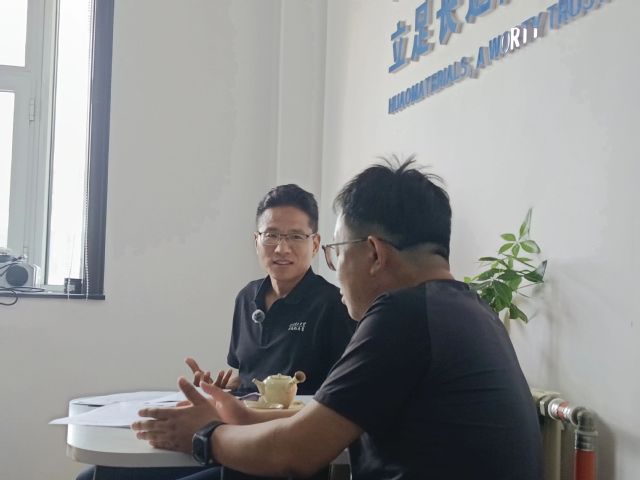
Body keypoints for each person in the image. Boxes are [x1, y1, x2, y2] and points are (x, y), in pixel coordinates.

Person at [133, 158, 544, 479]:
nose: (334, 269)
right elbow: (332, 413)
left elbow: (294, 453)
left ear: (374, 253)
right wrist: (240, 415)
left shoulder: (402, 316)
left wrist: (203, 436)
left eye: (335, 252)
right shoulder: (466, 308)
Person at [78, 184, 354, 480]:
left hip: (274, 452)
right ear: (257, 241)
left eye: (296, 236)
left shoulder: (334, 306)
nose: (281, 248)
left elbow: (335, 405)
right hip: (228, 434)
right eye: (271, 235)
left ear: (315, 244)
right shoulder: (247, 298)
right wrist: (219, 390)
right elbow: (248, 373)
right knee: (96, 475)